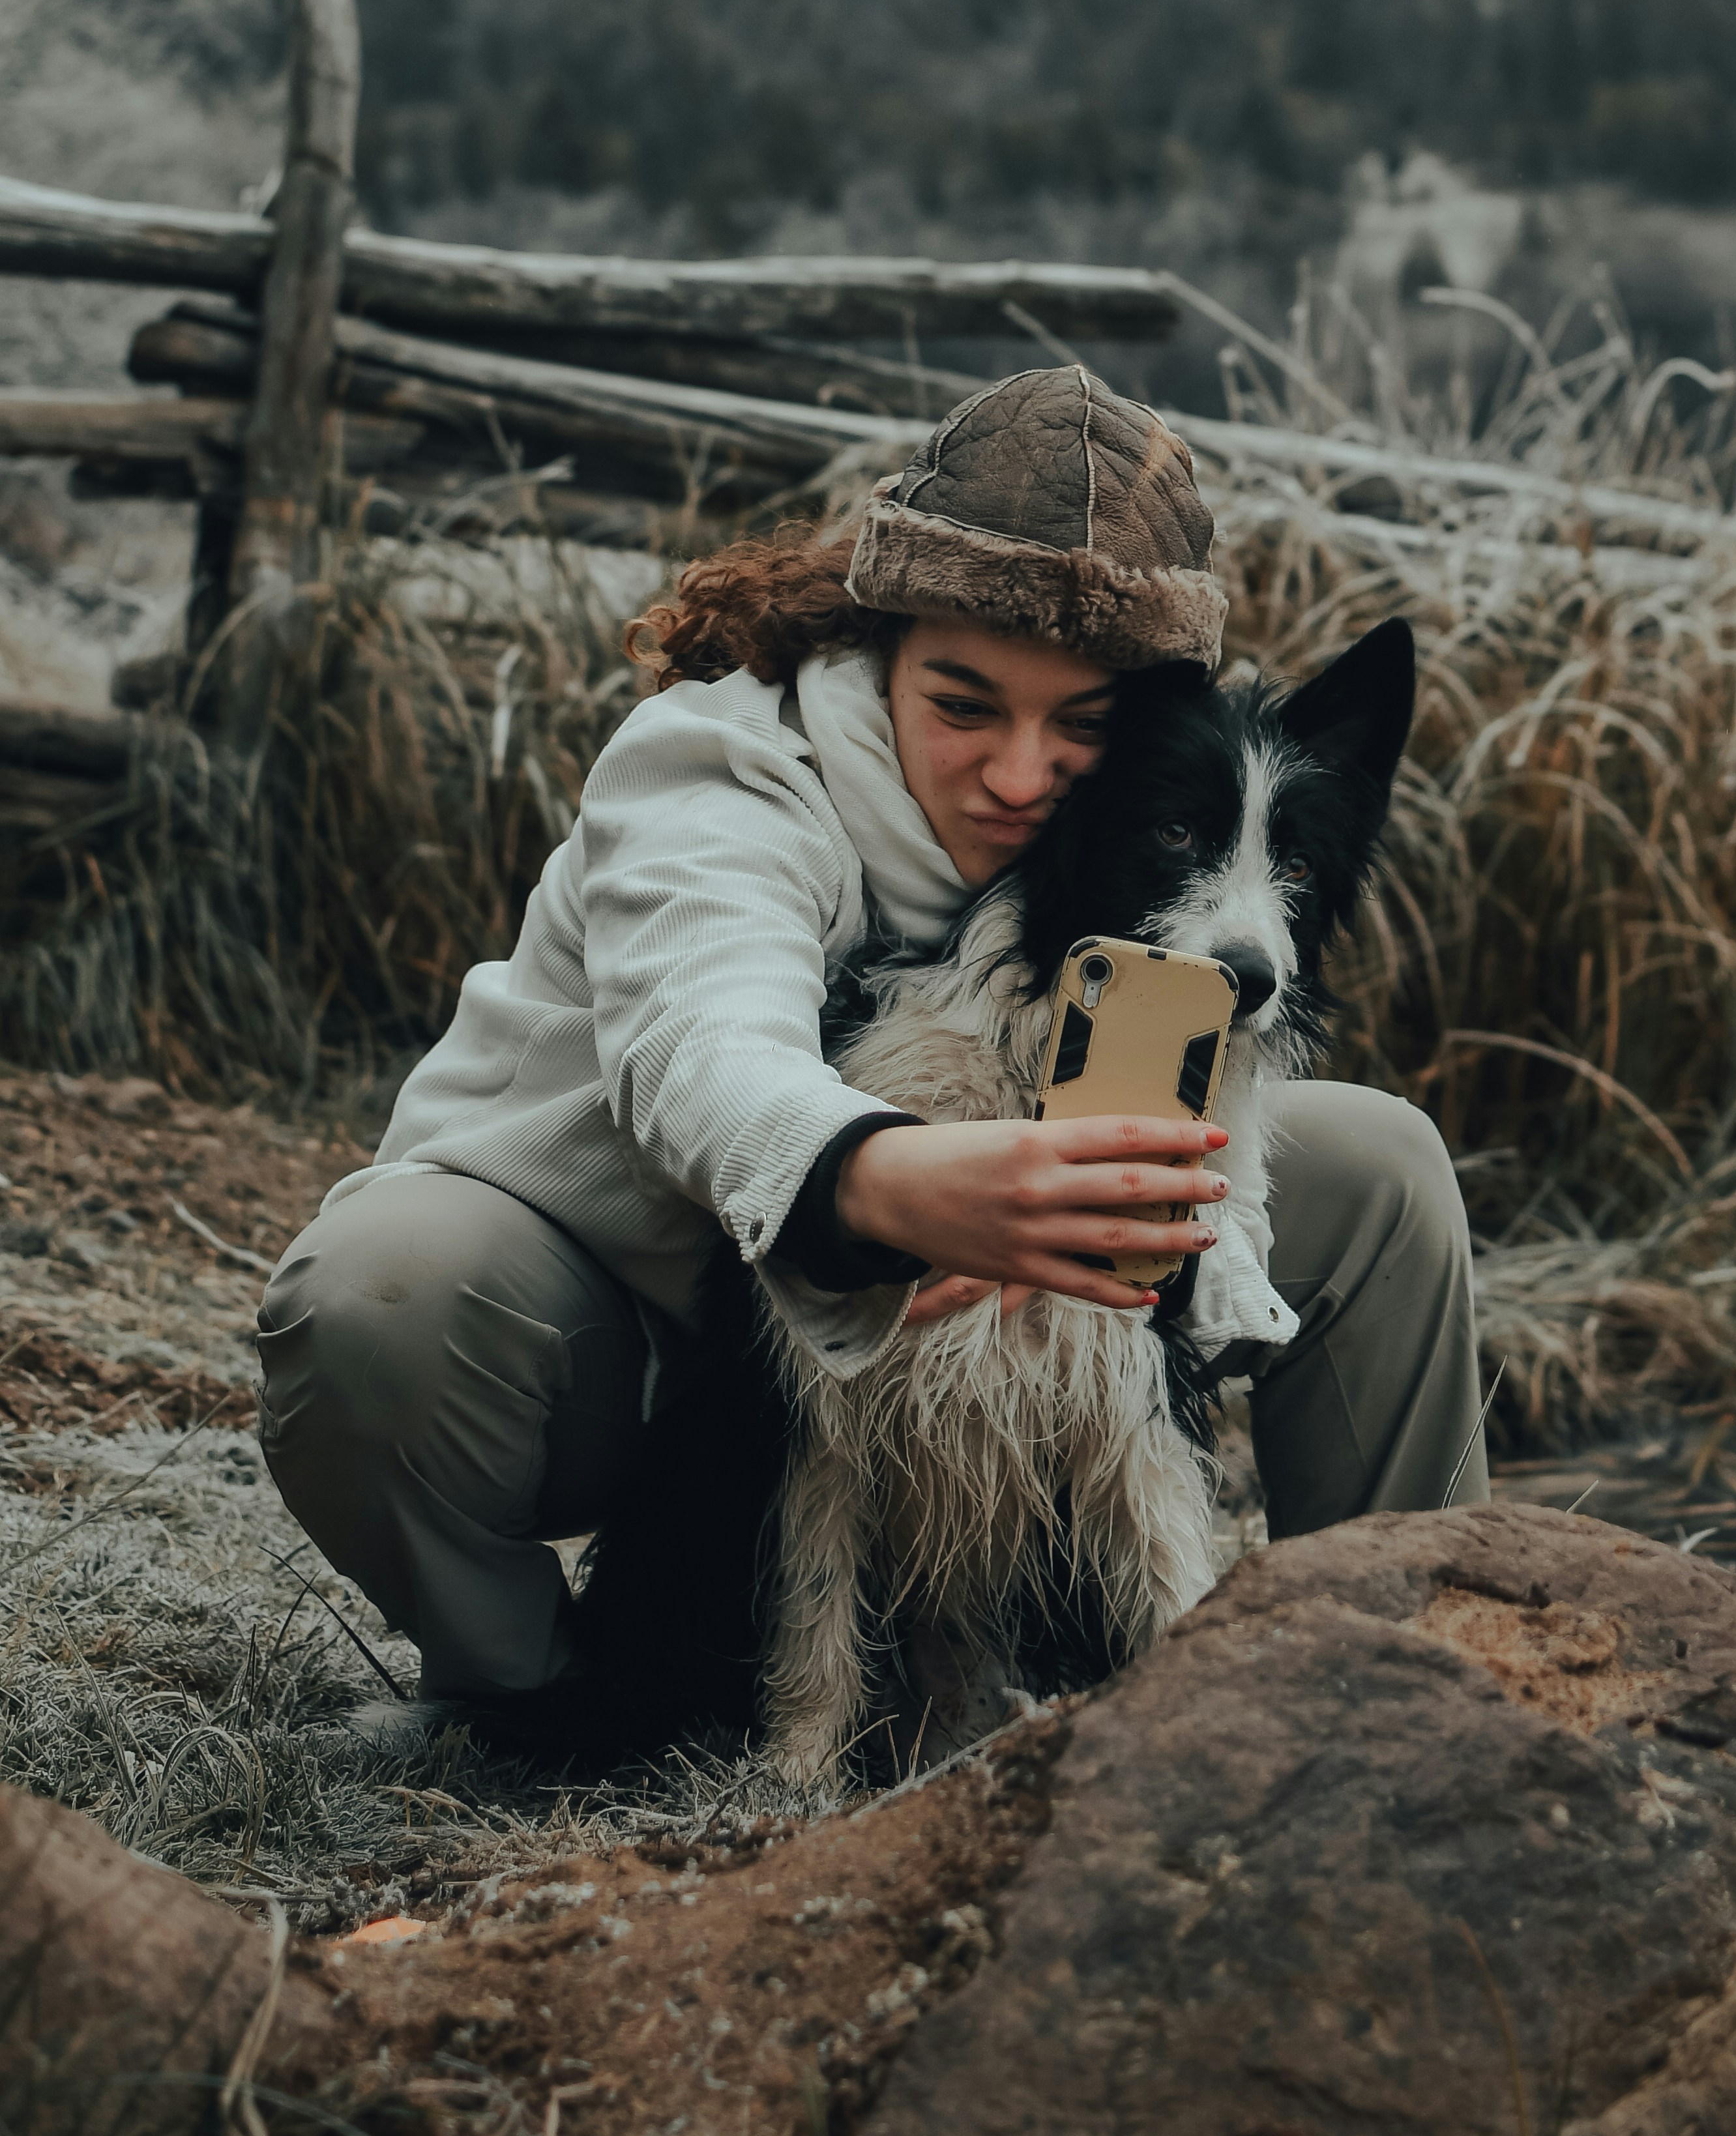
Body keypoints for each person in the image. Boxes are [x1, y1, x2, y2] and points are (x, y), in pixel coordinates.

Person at [255, 367, 1487, 1748]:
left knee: (1380, 1165)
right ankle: (538, 1704)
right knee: (376, 1296)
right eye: (963, 703)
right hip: (621, 1333)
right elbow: (705, 1047)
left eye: (1078, 727)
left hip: (926, 1350)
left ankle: (1407, 1694)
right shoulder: (723, 769)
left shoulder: (1115, 852)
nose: (1018, 776)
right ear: (880, 645)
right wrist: (886, 1180)